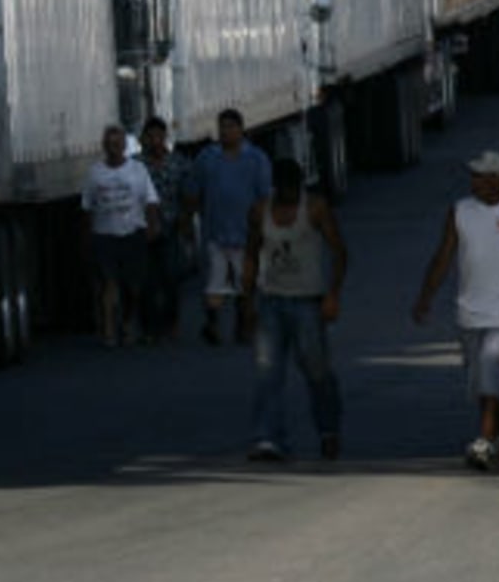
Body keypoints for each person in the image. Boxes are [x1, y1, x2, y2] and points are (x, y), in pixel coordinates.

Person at [411, 150, 499, 471]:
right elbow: (444, 257)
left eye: (480, 176)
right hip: (468, 312)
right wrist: (425, 296)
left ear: (497, 179)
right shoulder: (460, 212)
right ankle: (498, 434)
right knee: (482, 382)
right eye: (473, 176)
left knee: (492, 366)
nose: (473, 181)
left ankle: (484, 441)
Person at [241, 158, 347, 461]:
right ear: (275, 185)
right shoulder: (260, 211)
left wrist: (333, 295)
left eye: (293, 188)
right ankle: (267, 437)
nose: (288, 194)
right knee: (267, 372)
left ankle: (329, 429)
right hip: (271, 300)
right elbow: (250, 254)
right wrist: (247, 302)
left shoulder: (314, 208)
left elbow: (339, 251)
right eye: (283, 188)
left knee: (317, 370)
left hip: (308, 302)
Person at [185, 109, 273, 346]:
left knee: (245, 284)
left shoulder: (256, 159)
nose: (226, 132)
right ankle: (212, 323)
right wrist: (188, 221)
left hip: (247, 234)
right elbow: (193, 192)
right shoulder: (207, 158)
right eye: (222, 127)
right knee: (215, 285)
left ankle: (243, 325)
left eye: (231, 127)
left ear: (241, 129)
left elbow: (265, 197)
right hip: (215, 233)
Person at [80, 124, 160, 347]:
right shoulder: (95, 173)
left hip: (133, 232)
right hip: (105, 235)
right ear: (104, 146)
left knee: (133, 286)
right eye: (110, 144)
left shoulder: (138, 170)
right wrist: (87, 236)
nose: (114, 148)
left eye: (118, 143)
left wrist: (152, 226)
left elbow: (151, 200)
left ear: (125, 145)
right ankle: (108, 330)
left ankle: (126, 321)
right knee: (109, 284)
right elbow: (86, 206)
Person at [136, 117, 196, 343]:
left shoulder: (178, 163)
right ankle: (149, 328)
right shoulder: (136, 165)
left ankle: (171, 322)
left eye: (158, 136)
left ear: (165, 138)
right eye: (149, 137)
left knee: (171, 277)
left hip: (170, 227)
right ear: (143, 140)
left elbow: (189, 193)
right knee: (146, 281)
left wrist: (187, 220)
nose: (154, 141)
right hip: (142, 229)